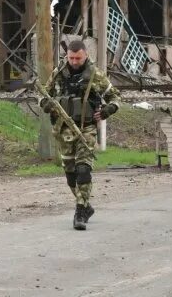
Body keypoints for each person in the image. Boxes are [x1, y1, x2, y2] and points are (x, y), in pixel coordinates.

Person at [39, 40, 120, 230]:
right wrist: (46, 104)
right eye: (71, 57)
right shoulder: (59, 74)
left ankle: (80, 211)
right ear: (67, 55)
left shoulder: (95, 75)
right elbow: (43, 94)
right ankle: (86, 205)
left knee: (83, 169)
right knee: (70, 175)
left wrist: (108, 109)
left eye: (78, 58)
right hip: (64, 129)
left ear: (85, 56)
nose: (74, 61)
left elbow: (115, 96)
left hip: (86, 128)